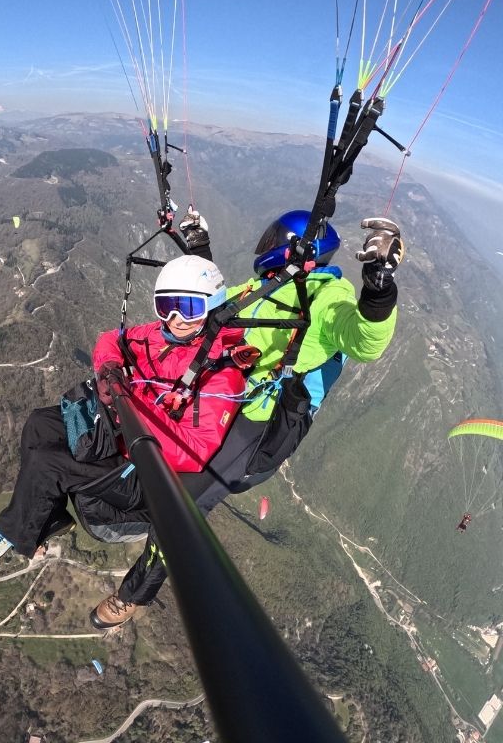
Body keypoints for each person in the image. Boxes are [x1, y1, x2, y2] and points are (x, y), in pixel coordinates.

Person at [75, 208, 403, 626]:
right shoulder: (266, 284)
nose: (263, 246)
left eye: (271, 239)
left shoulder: (325, 298)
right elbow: (218, 309)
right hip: (225, 394)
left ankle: (134, 593)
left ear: (288, 247)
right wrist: (200, 250)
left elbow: (363, 340)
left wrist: (378, 289)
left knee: (185, 502)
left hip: (260, 421)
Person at [0, 255, 255, 627]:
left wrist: (130, 410)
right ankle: (47, 520)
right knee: (39, 423)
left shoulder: (221, 375)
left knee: (47, 464)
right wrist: (110, 369)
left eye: (188, 307)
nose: (175, 318)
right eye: (166, 306)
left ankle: (18, 535)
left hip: (142, 469)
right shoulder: (159, 336)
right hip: (121, 432)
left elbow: (194, 453)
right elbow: (112, 340)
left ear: (212, 308)